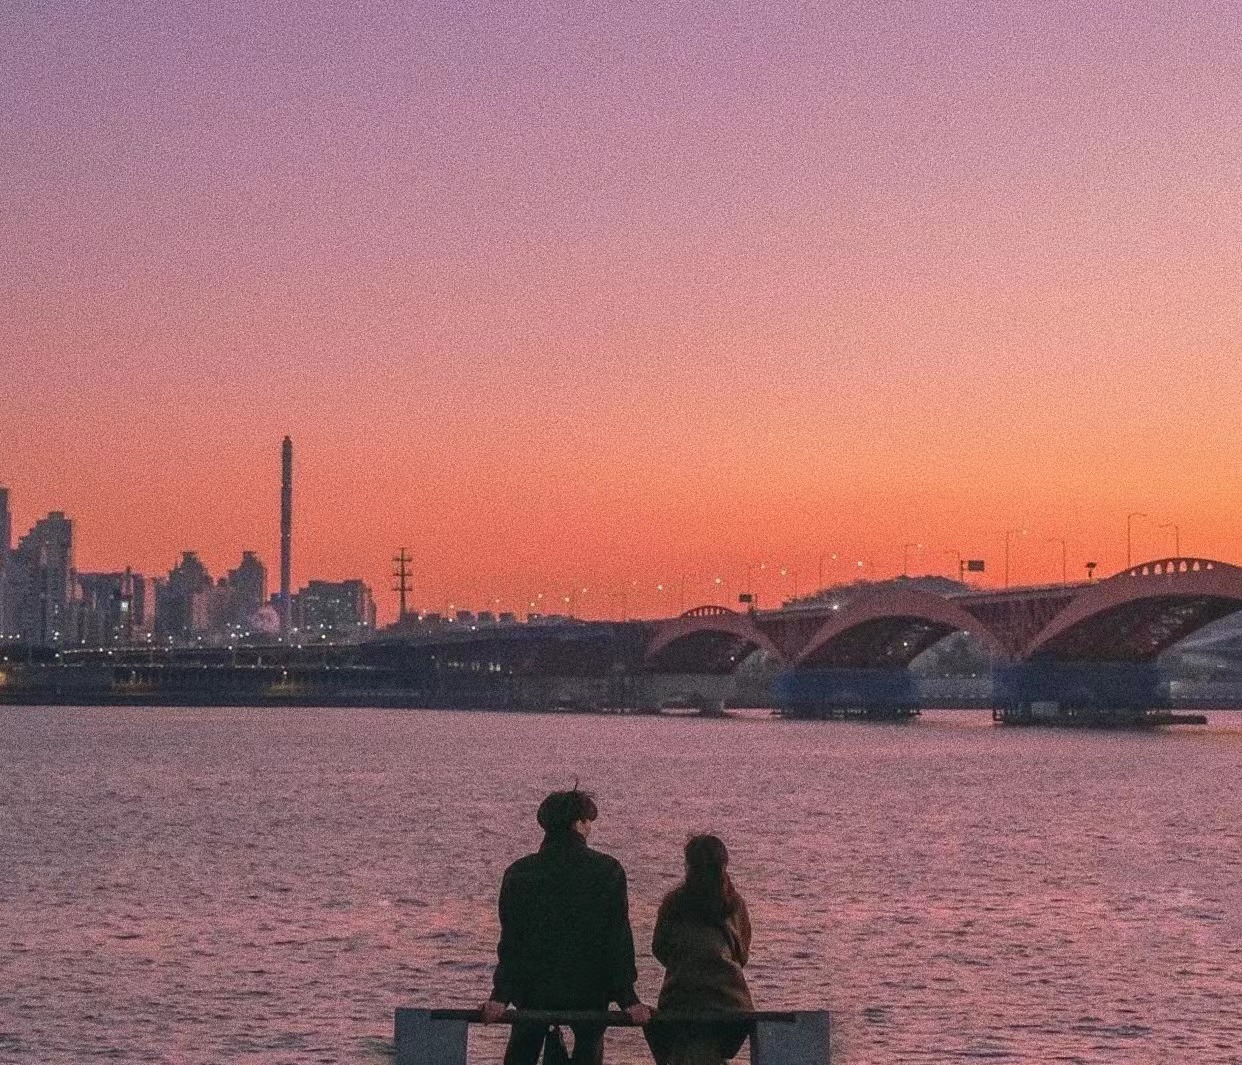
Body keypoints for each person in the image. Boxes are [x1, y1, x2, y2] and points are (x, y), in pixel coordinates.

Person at [479, 787, 652, 1064]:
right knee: (589, 1047)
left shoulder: (519, 873)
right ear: (579, 824)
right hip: (589, 993)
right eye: (588, 821)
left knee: (522, 1051)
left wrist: (500, 996)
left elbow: (512, 942)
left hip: (533, 993)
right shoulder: (607, 870)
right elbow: (616, 939)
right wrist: (628, 999)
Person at [645, 835, 754, 1065]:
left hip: (680, 1000)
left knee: (676, 1036)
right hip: (732, 1005)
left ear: (688, 866)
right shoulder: (735, 905)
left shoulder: (673, 903)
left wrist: (684, 964)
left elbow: (659, 948)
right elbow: (742, 954)